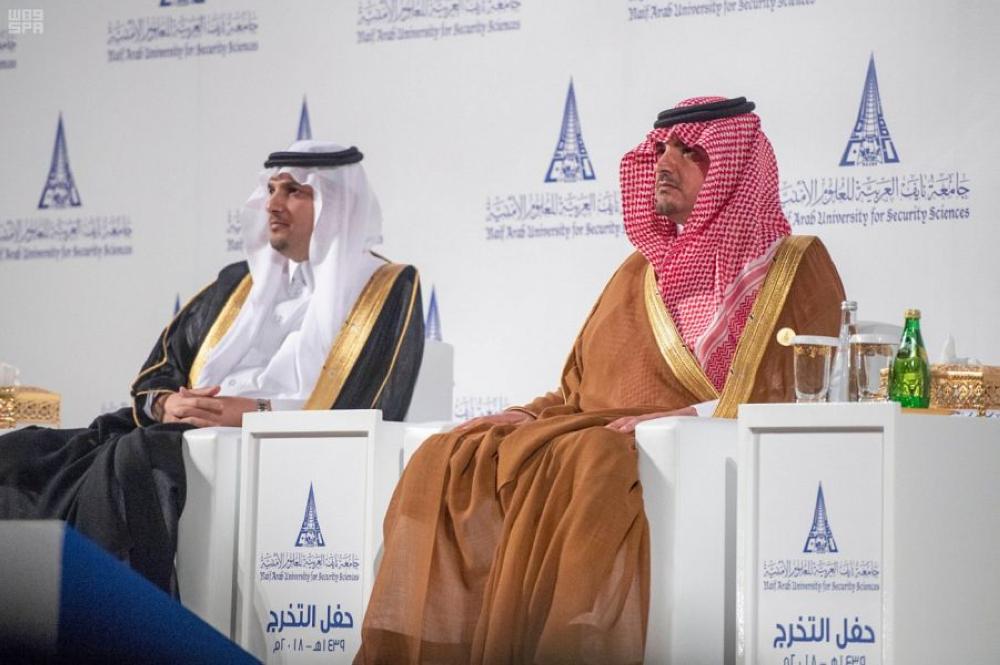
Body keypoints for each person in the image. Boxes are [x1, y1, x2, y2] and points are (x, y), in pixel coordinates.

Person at [357, 98, 844, 663]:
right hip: (602, 431)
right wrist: (526, 414)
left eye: (690, 152)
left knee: (592, 454)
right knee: (453, 453)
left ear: (735, 168)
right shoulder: (638, 272)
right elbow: (579, 392)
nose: (665, 163)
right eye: (661, 149)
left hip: (696, 453)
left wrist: (691, 415)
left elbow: (798, 391)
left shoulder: (791, 267)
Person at [0, 141, 424, 594]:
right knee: (21, 453)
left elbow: (375, 398)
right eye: (271, 189)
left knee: (134, 460)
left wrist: (256, 414)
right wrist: (167, 404)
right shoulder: (236, 283)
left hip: (263, 443)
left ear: (337, 203)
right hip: (177, 428)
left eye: (294, 191)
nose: (273, 204)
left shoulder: (385, 287)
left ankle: (115, 611)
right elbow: (160, 368)